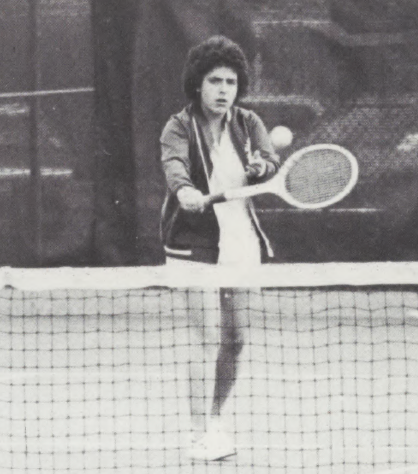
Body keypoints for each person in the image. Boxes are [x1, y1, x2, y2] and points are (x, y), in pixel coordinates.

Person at [159, 35, 280, 461]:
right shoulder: (178, 126)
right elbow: (173, 164)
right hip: (193, 243)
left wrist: (261, 166)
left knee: (236, 339)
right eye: (215, 81)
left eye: (230, 81)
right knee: (203, 336)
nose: (223, 89)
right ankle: (199, 433)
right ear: (198, 84)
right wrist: (185, 189)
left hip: (240, 241)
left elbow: (269, 162)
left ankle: (213, 418)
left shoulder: (249, 123)